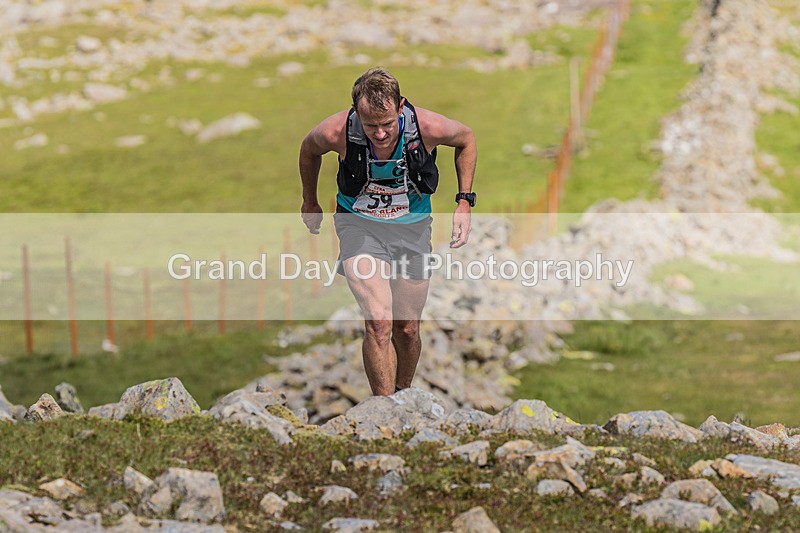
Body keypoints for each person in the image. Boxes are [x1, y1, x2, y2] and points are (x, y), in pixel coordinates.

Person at [298, 67, 477, 396]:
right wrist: (310, 200)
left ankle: (403, 394)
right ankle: (384, 409)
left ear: (400, 107)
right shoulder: (337, 131)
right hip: (359, 225)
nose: (379, 134)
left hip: (412, 229)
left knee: (407, 328)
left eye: (387, 124)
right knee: (379, 321)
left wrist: (464, 202)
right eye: (370, 126)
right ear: (356, 114)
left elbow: (466, 140)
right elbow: (308, 150)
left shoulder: (427, 126)